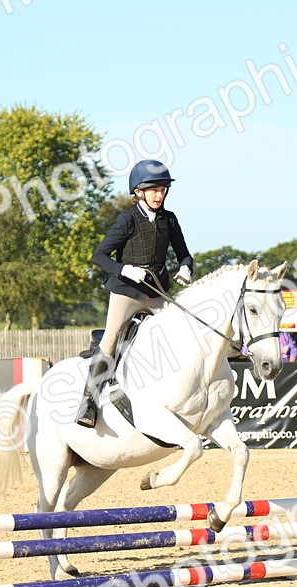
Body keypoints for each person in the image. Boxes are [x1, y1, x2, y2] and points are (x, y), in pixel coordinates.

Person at [80, 160, 194, 427]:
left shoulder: (170, 219)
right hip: (127, 292)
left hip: (156, 291)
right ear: (139, 192)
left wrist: (186, 268)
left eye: (163, 189)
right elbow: (98, 256)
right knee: (110, 339)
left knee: (183, 333)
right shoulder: (127, 219)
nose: (160, 194)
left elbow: (184, 254)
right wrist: (125, 269)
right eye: (154, 189)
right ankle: (89, 402)